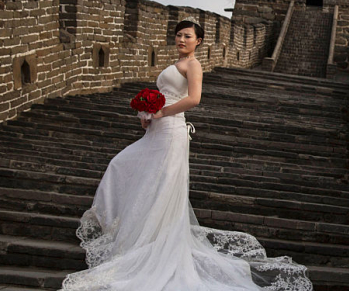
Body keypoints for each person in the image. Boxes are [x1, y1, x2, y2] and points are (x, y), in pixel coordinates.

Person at [62, 18, 313, 291]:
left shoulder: (193, 65)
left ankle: (151, 242)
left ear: (199, 41)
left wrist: (162, 112)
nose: (181, 39)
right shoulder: (175, 64)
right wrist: (146, 114)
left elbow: (194, 99)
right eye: (179, 35)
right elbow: (164, 95)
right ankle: (129, 232)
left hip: (172, 132)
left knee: (160, 184)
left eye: (188, 36)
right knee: (127, 167)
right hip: (156, 131)